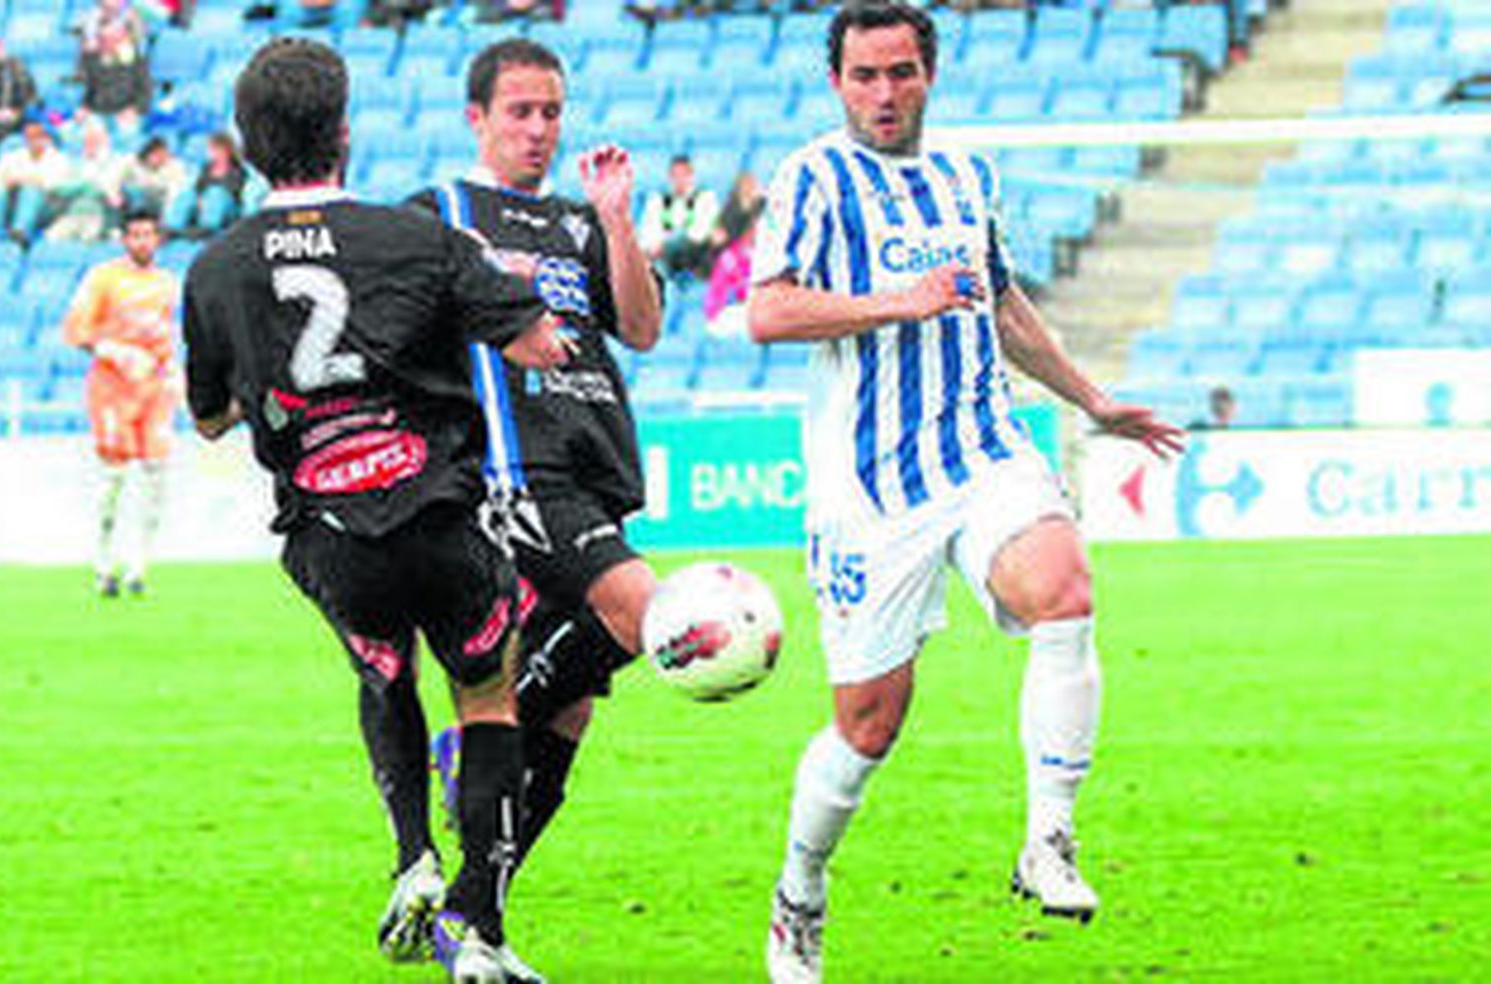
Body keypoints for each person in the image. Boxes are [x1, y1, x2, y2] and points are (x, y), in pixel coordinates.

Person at [748, 5, 1185, 981]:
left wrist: (1092, 400)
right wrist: (891, 302)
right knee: (868, 726)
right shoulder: (812, 177)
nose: (884, 94)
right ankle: (799, 892)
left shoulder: (964, 176)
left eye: (900, 72)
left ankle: (1048, 839)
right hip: (870, 488)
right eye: (864, 76)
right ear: (836, 82)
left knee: (1065, 592)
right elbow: (764, 310)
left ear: (929, 73)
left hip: (981, 447)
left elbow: (1001, 302)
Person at [180, 37, 572, 983]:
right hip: (438, 510)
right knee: (484, 691)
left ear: (248, 141)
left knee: (382, 667)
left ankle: (412, 857)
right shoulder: (418, 239)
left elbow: (208, 419)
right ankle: (478, 930)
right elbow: (542, 347)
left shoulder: (217, 268)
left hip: (329, 531)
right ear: (346, 133)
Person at [406, 37, 661, 982]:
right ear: (478, 117)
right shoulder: (442, 214)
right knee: (646, 613)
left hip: (593, 465)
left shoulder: (574, 219)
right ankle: (472, 764)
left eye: (551, 111)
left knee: (565, 716)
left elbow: (639, 327)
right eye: (520, 111)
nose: (539, 129)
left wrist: (616, 220)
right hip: (514, 473)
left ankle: (481, 926)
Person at [61, 210, 179, 597]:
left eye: (149, 234)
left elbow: (168, 336)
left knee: (156, 473)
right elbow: (75, 330)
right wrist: (114, 349)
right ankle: (103, 561)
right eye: (135, 235)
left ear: (158, 239)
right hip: (113, 387)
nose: (142, 241)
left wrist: (175, 371)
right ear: (124, 239)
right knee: (114, 476)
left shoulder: (167, 284)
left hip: (156, 388)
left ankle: (139, 566)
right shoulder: (103, 279)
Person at [45, 115, 127, 241]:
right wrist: (84, 185)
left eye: (96, 139)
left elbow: (110, 188)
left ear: (105, 140)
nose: (90, 143)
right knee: (53, 237)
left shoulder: (118, 161)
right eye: (87, 139)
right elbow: (56, 185)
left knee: (90, 233)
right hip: (71, 210)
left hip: (101, 213)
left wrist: (90, 184)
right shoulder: (71, 162)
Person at [638, 153, 720, 280]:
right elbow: (648, 231)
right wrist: (654, 246)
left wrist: (669, 241)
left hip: (695, 254)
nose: (679, 180)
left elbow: (702, 231)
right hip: (666, 257)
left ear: (691, 176)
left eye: (684, 175)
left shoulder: (705, 198)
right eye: (675, 175)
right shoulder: (657, 200)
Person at [0, 120, 73, 240]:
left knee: (31, 191)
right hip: (12, 202)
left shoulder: (59, 159)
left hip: (46, 208)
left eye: (37, 137)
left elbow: (57, 188)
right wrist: (11, 182)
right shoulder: (11, 157)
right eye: (29, 137)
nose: (33, 141)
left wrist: (25, 180)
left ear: (45, 138)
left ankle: (20, 233)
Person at [79, 14, 152, 132]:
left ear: (121, 37)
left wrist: (134, 109)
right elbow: (89, 88)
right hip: (98, 112)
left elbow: (145, 90)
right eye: (102, 39)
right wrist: (85, 107)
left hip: (124, 111)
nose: (106, 43)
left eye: (110, 39)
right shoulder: (91, 59)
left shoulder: (137, 60)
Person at [119, 135, 189, 216]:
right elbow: (113, 178)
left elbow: (175, 192)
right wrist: (114, 194)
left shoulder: (175, 166)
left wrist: (167, 212)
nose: (159, 157)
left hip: (160, 203)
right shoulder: (131, 161)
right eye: (155, 154)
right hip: (133, 201)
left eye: (162, 154)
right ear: (147, 153)